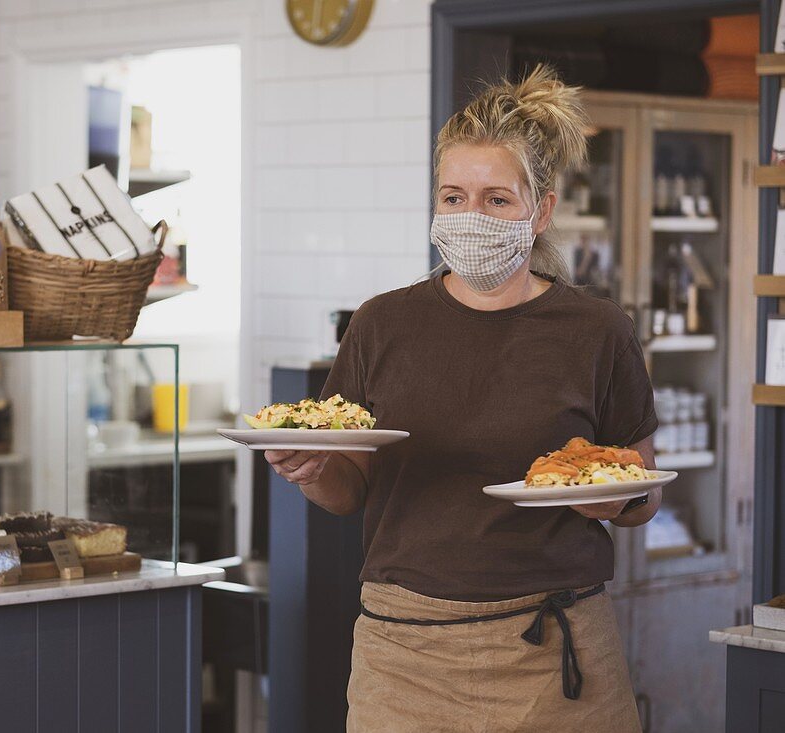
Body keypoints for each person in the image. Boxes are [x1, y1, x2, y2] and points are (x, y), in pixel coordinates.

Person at [266, 66, 654, 732]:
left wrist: (614, 498)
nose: (470, 216)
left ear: (541, 211)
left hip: (557, 651)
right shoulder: (380, 324)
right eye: (453, 196)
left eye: (497, 199)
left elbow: (641, 490)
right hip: (403, 655)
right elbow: (345, 489)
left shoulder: (598, 331)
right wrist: (310, 468)